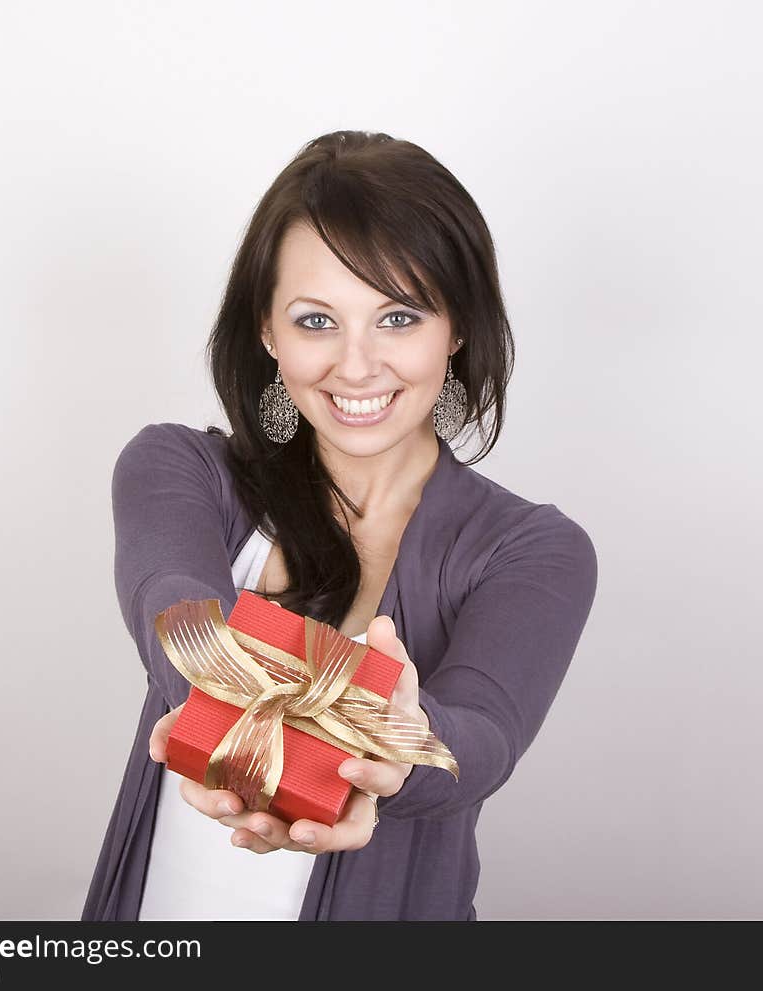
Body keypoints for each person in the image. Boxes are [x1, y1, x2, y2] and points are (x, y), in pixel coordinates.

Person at [81, 130, 598, 921]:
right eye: (317, 320)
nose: (356, 366)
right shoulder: (180, 469)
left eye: (398, 316)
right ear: (267, 331)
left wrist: (399, 749)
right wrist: (250, 689)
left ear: (456, 328)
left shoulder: (533, 549)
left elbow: (481, 738)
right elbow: (177, 608)